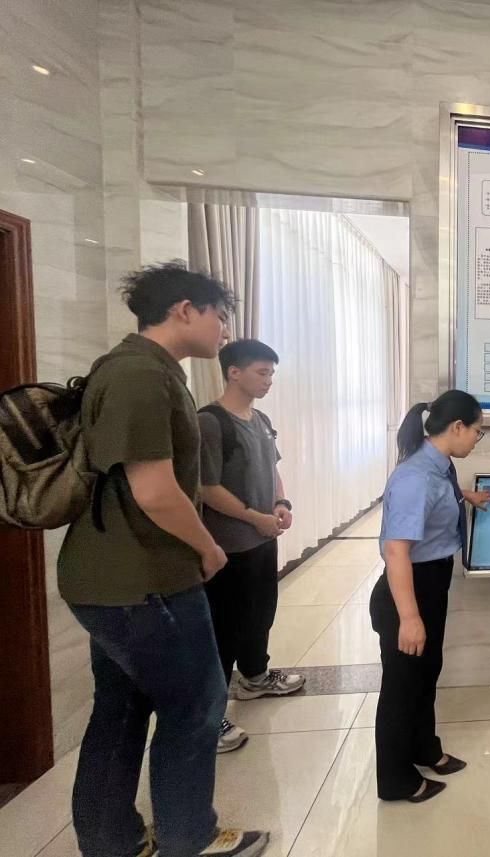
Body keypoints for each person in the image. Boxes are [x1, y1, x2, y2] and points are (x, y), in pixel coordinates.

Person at [58, 262, 269, 857]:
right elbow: (153, 490)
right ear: (184, 310)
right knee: (196, 705)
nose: (224, 330)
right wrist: (207, 547)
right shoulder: (142, 376)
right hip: (145, 582)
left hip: (114, 581)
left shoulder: (134, 368)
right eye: (219, 316)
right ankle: (188, 836)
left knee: (122, 710)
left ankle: (112, 841)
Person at [369, 390, 490, 803]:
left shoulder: (438, 465)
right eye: (477, 431)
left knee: (425, 674)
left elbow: (444, 494)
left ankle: (425, 748)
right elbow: (396, 551)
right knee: (402, 686)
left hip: (431, 583)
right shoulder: (416, 478)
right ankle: (396, 780)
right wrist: (409, 617)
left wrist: (468, 497)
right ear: (457, 427)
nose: (477, 439)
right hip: (408, 590)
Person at [198, 339, 305, 754]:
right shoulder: (211, 422)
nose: (269, 381)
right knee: (224, 628)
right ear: (234, 372)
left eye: (271, 373)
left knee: (261, 612)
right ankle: (210, 717)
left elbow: (272, 469)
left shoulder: (260, 419)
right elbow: (207, 488)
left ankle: (256, 677)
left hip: (262, 539)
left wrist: (281, 503)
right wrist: (252, 517)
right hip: (229, 545)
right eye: (262, 372)